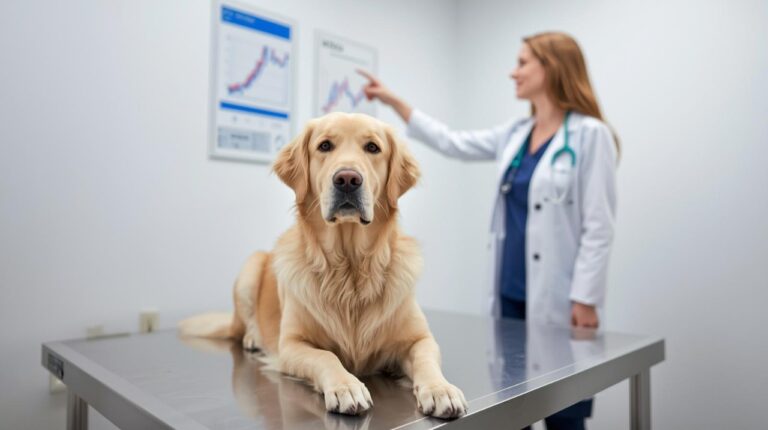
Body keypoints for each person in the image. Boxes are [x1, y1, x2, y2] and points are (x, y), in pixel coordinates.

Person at [359, 32, 618, 429]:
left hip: (560, 299)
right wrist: (395, 103)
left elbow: (599, 225)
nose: (513, 72)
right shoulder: (516, 134)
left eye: (523, 62)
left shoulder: (589, 135)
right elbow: (452, 142)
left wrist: (585, 297)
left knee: (565, 414)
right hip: (508, 296)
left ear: (551, 68)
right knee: (516, 410)